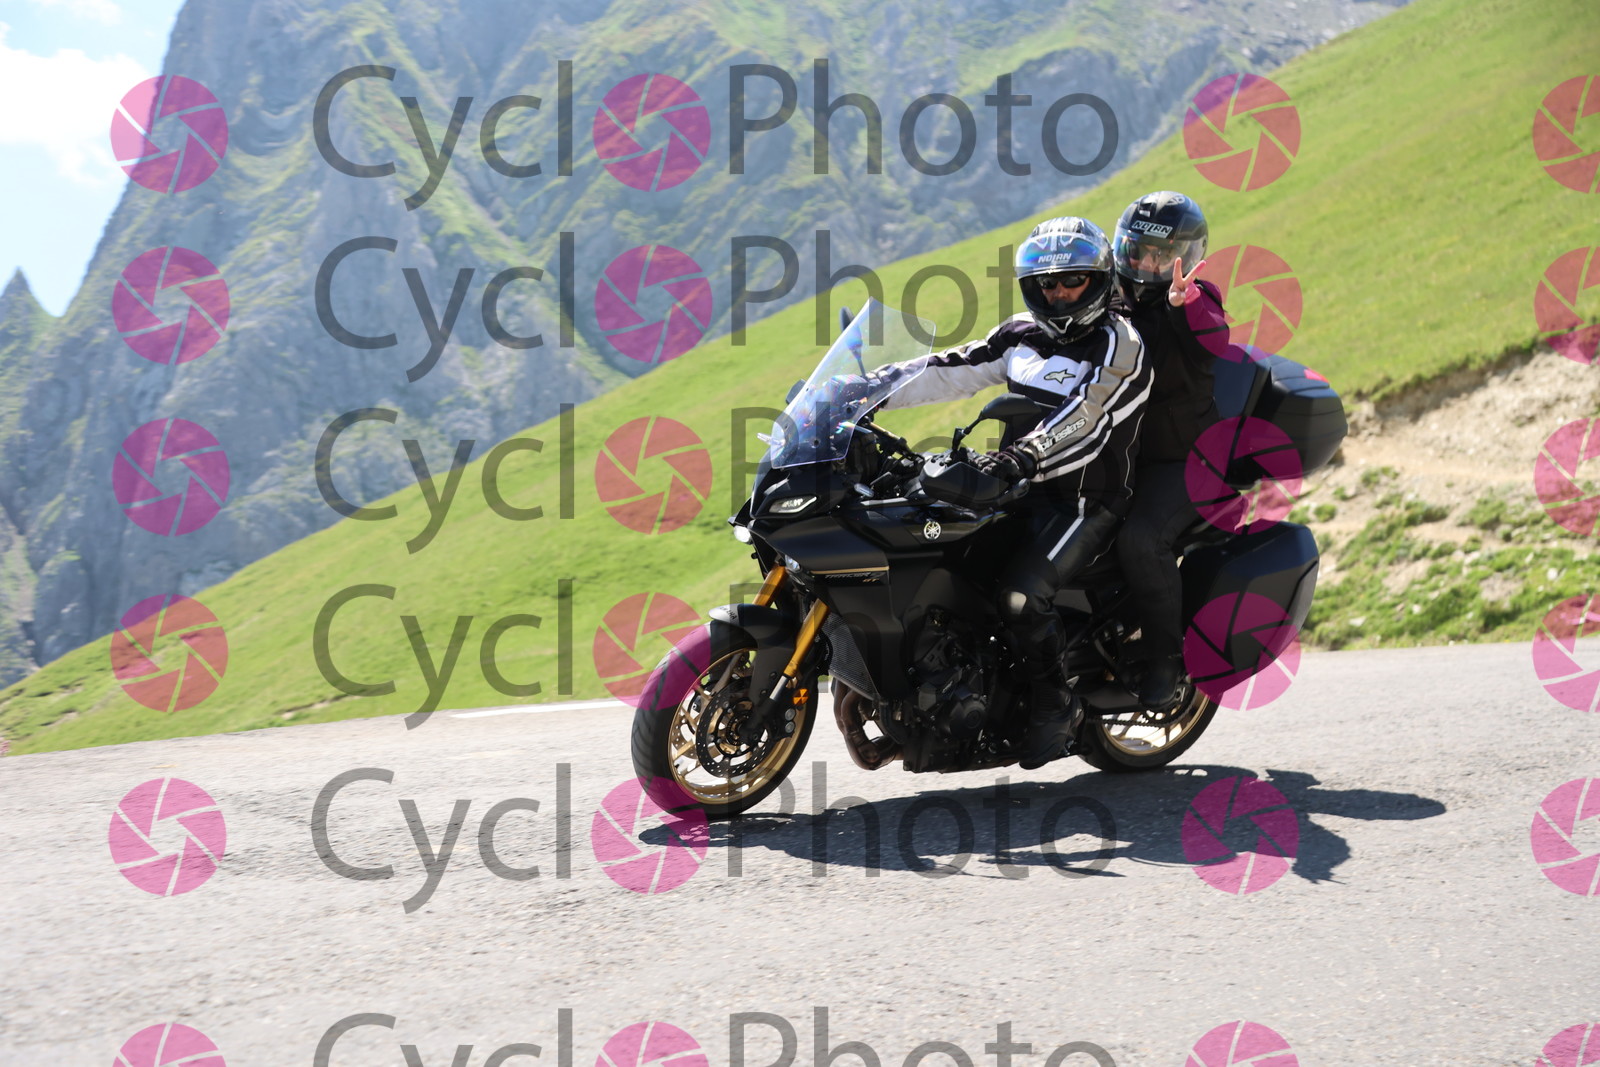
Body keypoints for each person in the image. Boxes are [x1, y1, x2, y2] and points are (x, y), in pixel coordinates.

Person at [858, 216, 1153, 768]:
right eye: (1046, 283)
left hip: (1084, 500)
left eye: (1073, 281)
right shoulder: (1020, 334)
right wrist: (859, 391)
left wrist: (1024, 455)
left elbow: (1086, 418)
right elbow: (948, 369)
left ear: (1100, 279)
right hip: (1015, 491)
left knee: (1019, 596)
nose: (1059, 293)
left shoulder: (1120, 344)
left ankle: (1055, 704)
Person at [1108, 190, 1230, 708]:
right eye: (1139, 252)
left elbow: (1215, 340)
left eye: (1163, 255)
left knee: (1141, 539)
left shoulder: (1196, 301)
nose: (1148, 265)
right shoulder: (1109, 298)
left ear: (1189, 256)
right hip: (1121, 457)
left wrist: (1188, 303)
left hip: (1186, 460)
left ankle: (1166, 659)